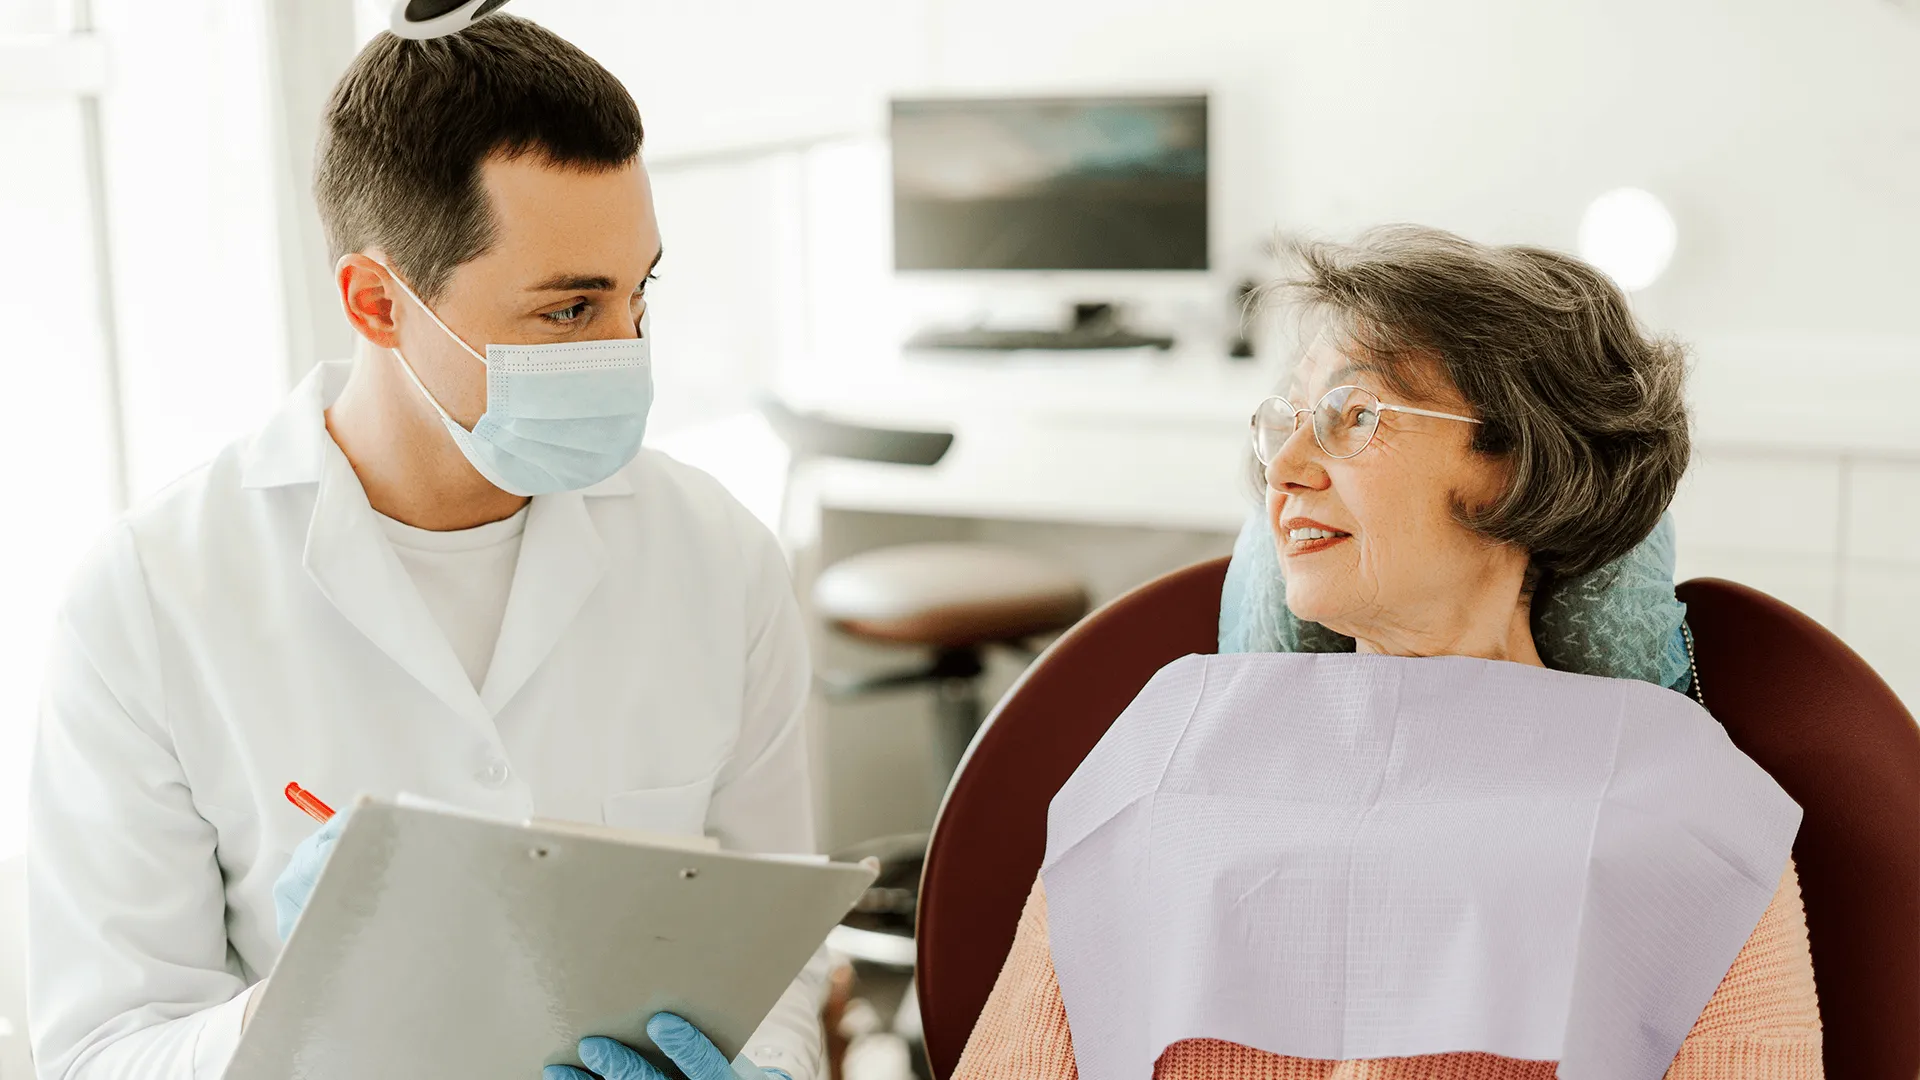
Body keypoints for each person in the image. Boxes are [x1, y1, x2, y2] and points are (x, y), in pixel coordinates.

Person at [28, 15, 826, 1080]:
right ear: (377, 301)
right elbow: (99, 1052)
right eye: (569, 309)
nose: (626, 353)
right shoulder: (148, 601)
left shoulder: (719, 560)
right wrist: (311, 1010)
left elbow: (781, 951)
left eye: (640, 293)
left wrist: (766, 1066)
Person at [953, 227, 1823, 1079]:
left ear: (1514, 464)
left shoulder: (1686, 814)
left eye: (1352, 415)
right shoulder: (1164, 750)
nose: (1284, 468)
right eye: (1288, 419)